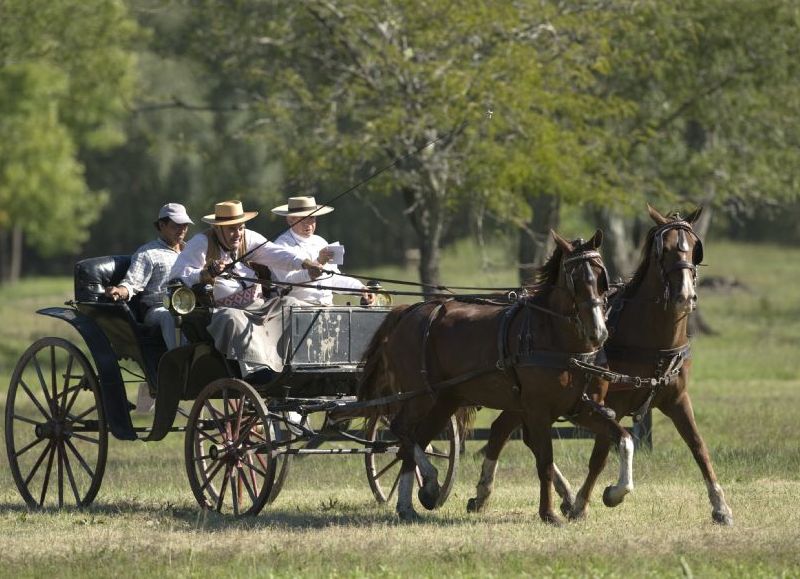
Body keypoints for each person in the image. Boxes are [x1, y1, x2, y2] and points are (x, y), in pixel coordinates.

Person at [170, 200, 323, 381]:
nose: (238, 234)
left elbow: (275, 253)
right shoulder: (201, 243)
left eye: (241, 228)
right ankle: (257, 373)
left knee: (292, 305)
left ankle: (293, 363)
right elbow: (177, 276)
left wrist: (305, 263)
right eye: (232, 229)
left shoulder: (247, 238)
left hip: (259, 307)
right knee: (232, 318)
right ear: (218, 229)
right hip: (222, 312)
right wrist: (206, 272)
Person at [105, 202, 194, 413]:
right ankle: (178, 370)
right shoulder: (148, 253)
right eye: (176, 226)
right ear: (161, 226)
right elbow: (132, 283)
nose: (182, 230)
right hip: (157, 310)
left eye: (185, 226)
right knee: (169, 317)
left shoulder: (192, 252)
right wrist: (120, 291)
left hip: (190, 308)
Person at [270, 196, 374, 305]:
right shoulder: (281, 246)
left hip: (327, 307)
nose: (308, 223)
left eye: (312, 218)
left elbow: (333, 278)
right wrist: (317, 263)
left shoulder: (321, 242)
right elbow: (287, 282)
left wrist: (360, 288)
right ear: (290, 220)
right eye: (303, 218)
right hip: (297, 310)